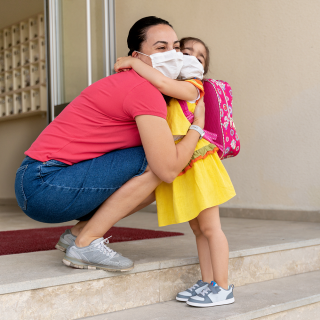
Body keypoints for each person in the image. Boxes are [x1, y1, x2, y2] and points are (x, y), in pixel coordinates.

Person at [14, 16, 205, 272]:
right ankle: (86, 243)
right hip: (45, 184)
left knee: (163, 156)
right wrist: (198, 128)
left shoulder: (141, 86)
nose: (172, 54)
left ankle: (80, 233)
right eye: (161, 48)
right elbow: (168, 168)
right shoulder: (142, 90)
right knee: (162, 161)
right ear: (137, 57)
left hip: (42, 181)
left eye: (175, 47)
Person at [114, 37, 236, 307]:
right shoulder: (169, 93)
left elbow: (160, 80)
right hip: (184, 163)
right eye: (184, 51)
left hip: (200, 163)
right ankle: (208, 282)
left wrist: (133, 61)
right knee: (198, 229)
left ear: (203, 68)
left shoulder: (193, 87)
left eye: (199, 56)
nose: (189, 57)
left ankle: (224, 288)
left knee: (211, 228)